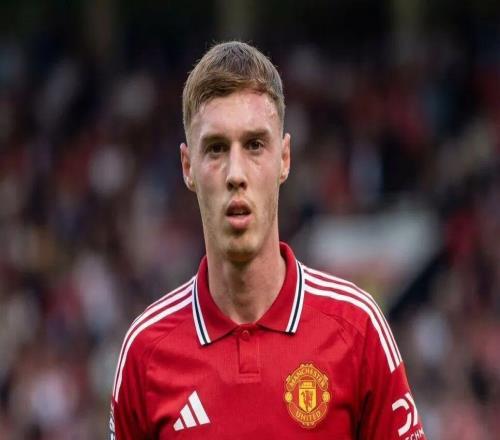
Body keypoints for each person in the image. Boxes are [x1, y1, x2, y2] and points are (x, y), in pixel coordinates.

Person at [110, 41, 426, 439]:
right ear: (188, 167)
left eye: (255, 145)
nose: (235, 174)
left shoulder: (357, 328)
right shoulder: (146, 352)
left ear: (284, 158)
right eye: (216, 149)